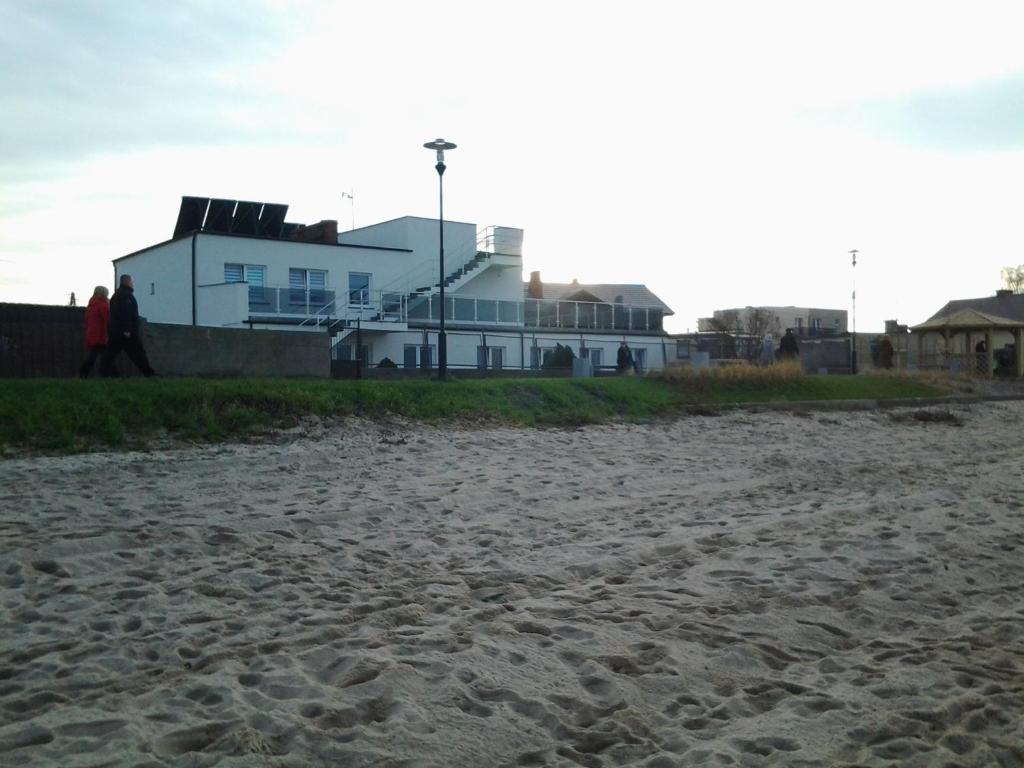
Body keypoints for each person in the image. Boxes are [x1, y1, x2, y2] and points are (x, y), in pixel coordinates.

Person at [101, 274, 156, 378]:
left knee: (110, 354)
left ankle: (103, 374)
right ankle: (149, 374)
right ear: (127, 282)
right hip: (126, 332)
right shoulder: (126, 296)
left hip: (116, 331)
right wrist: (127, 329)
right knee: (138, 354)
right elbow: (126, 313)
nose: (132, 283)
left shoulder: (116, 295)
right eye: (131, 281)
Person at [78, 286, 109, 378]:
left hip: (92, 334)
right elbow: (107, 320)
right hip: (101, 334)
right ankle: (111, 375)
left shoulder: (91, 305)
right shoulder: (103, 305)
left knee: (94, 356)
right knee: (105, 356)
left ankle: (83, 374)